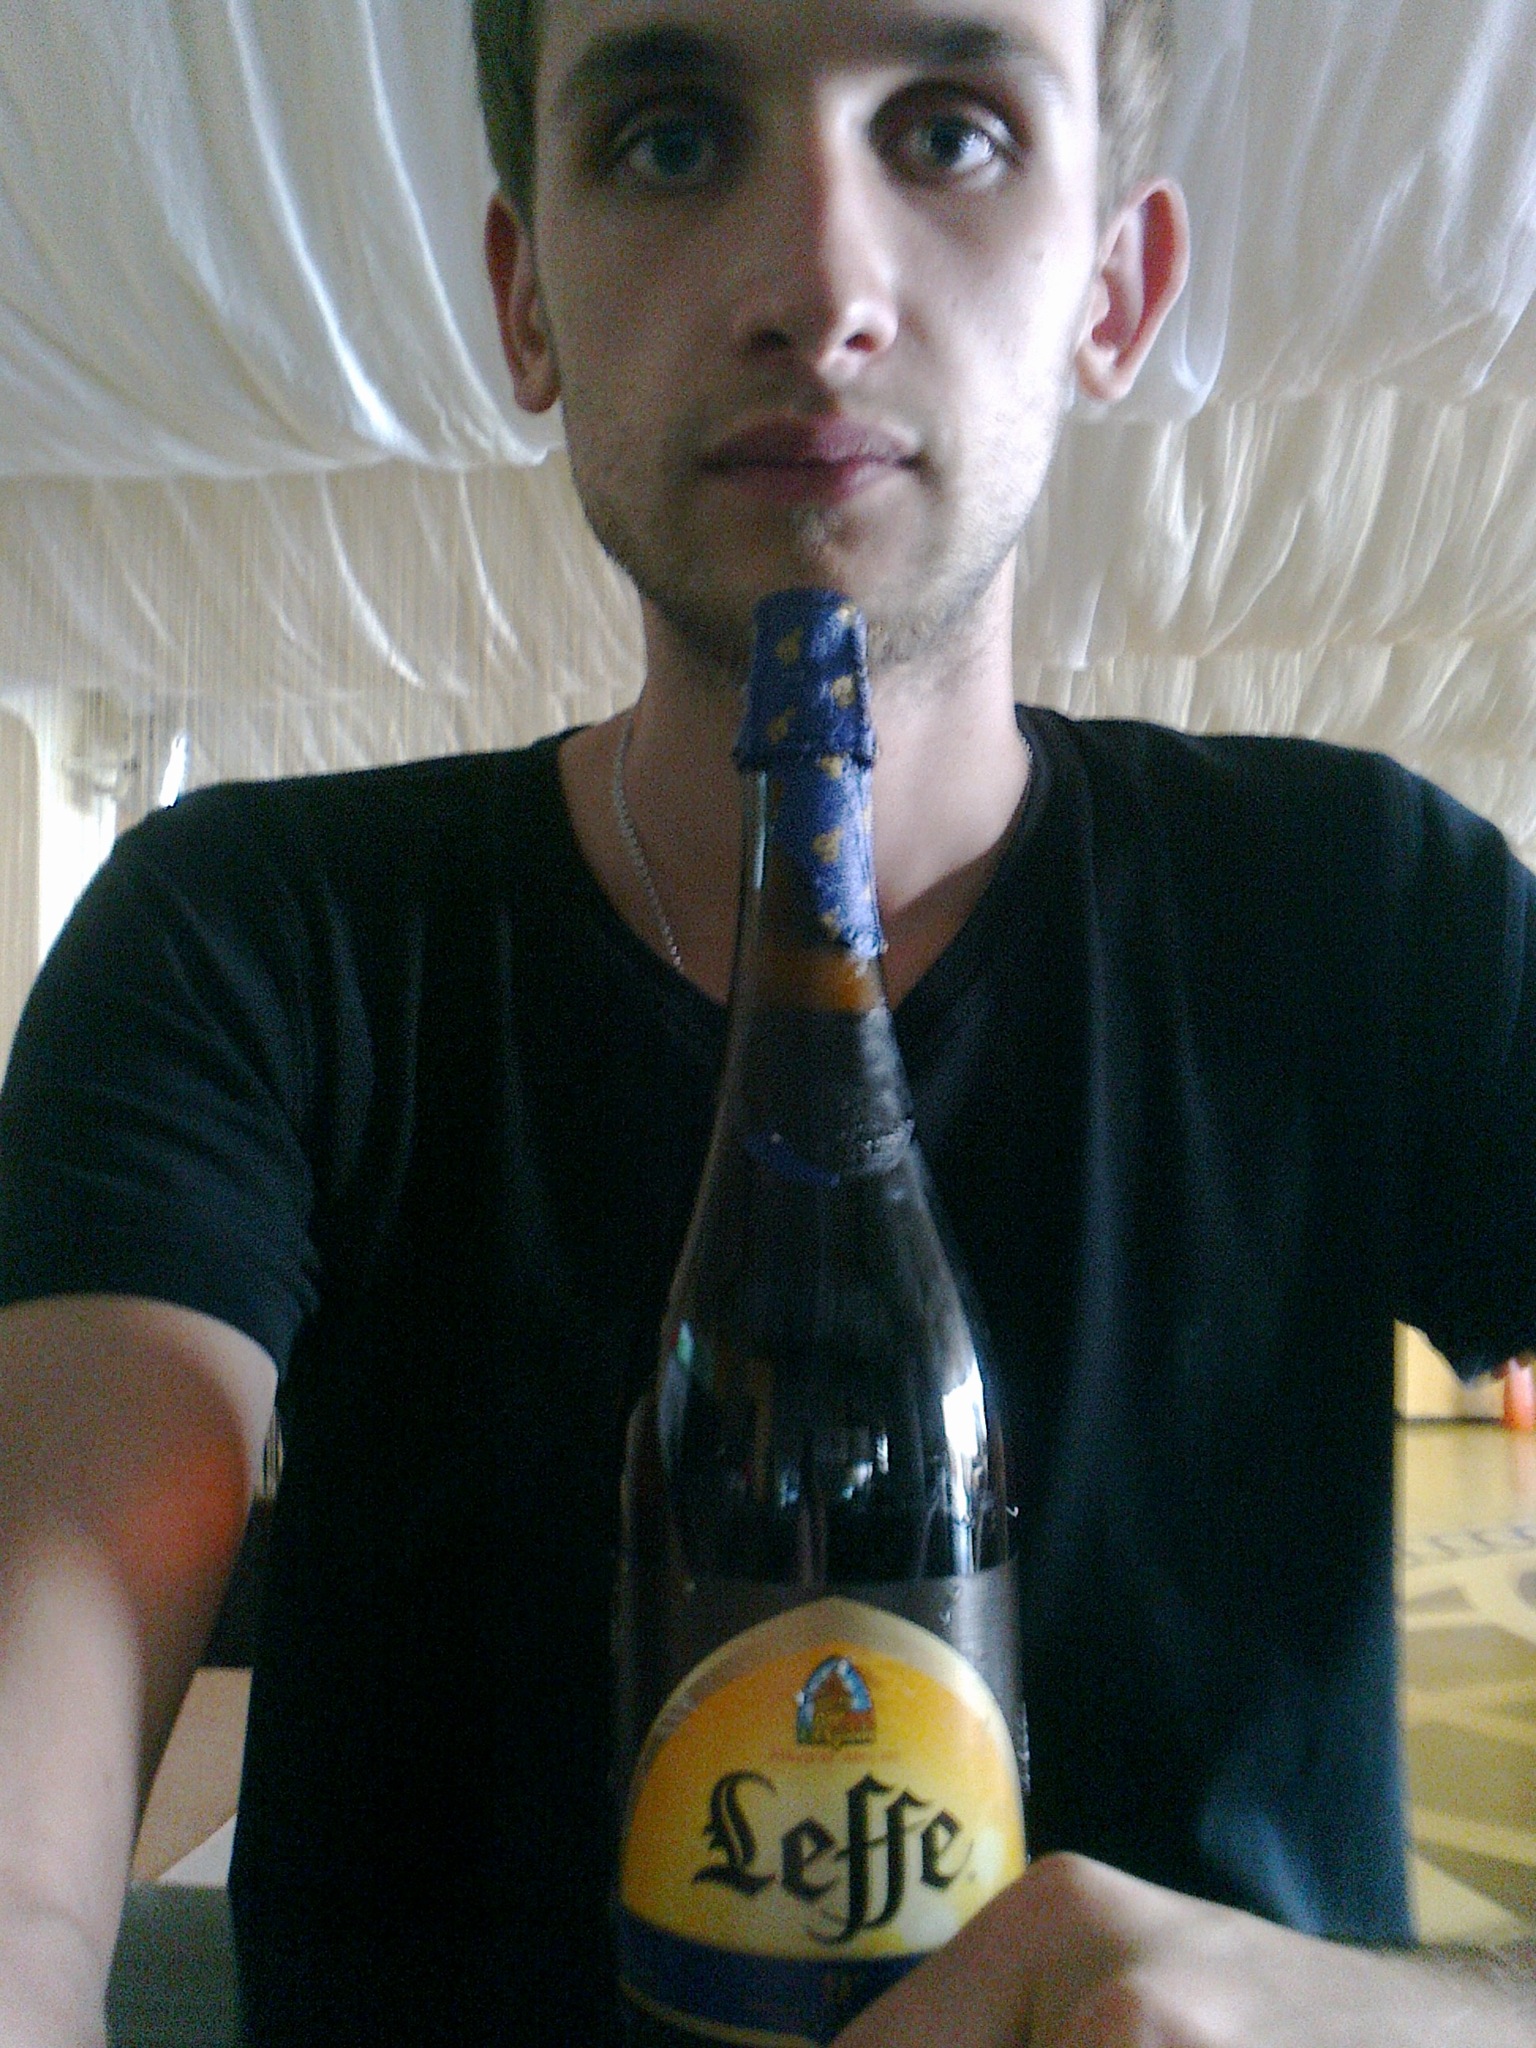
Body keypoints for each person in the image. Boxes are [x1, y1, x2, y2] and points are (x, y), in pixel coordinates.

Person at [0, 0, 1533, 2040]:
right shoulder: (249, 939)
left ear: (1115, 287)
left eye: (953, 130)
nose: (818, 282)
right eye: (667, 135)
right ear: (527, 302)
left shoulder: (1373, 909)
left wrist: (1421, 2017)